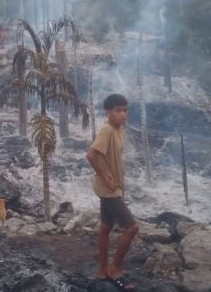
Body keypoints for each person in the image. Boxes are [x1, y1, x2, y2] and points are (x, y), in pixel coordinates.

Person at [85, 94, 137, 291]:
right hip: (109, 191)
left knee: (106, 226)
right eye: (118, 110)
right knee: (132, 228)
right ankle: (115, 268)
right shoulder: (107, 130)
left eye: (125, 110)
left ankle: (102, 270)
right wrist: (106, 176)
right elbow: (91, 155)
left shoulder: (118, 129)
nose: (123, 114)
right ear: (108, 112)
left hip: (108, 188)